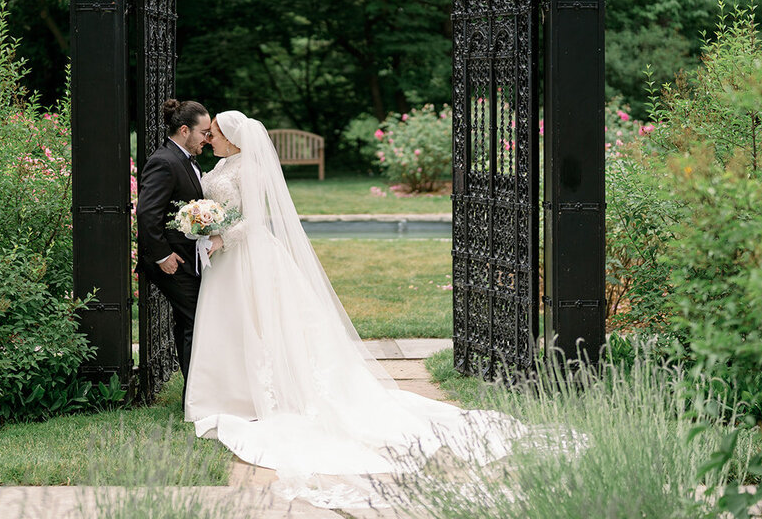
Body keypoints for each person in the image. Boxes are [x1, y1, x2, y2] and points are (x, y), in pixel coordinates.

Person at [183, 110, 531, 505]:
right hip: (223, 262)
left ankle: (260, 395)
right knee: (231, 326)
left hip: (245, 254)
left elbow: (254, 219)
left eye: (214, 133)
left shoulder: (249, 167)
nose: (209, 137)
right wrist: (200, 224)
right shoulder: (223, 162)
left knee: (263, 323)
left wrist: (220, 237)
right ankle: (228, 392)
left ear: (232, 136)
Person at [134, 98, 213, 392]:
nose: (208, 139)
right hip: (170, 260)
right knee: (197, 320)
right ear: (184, 130)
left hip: (185, 256)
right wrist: (162, 255)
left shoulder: (187, 160)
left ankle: (196, 391)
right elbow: (146, 213)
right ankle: (197, 394)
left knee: (189, 321)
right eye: (204, 132)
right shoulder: (164, 161)